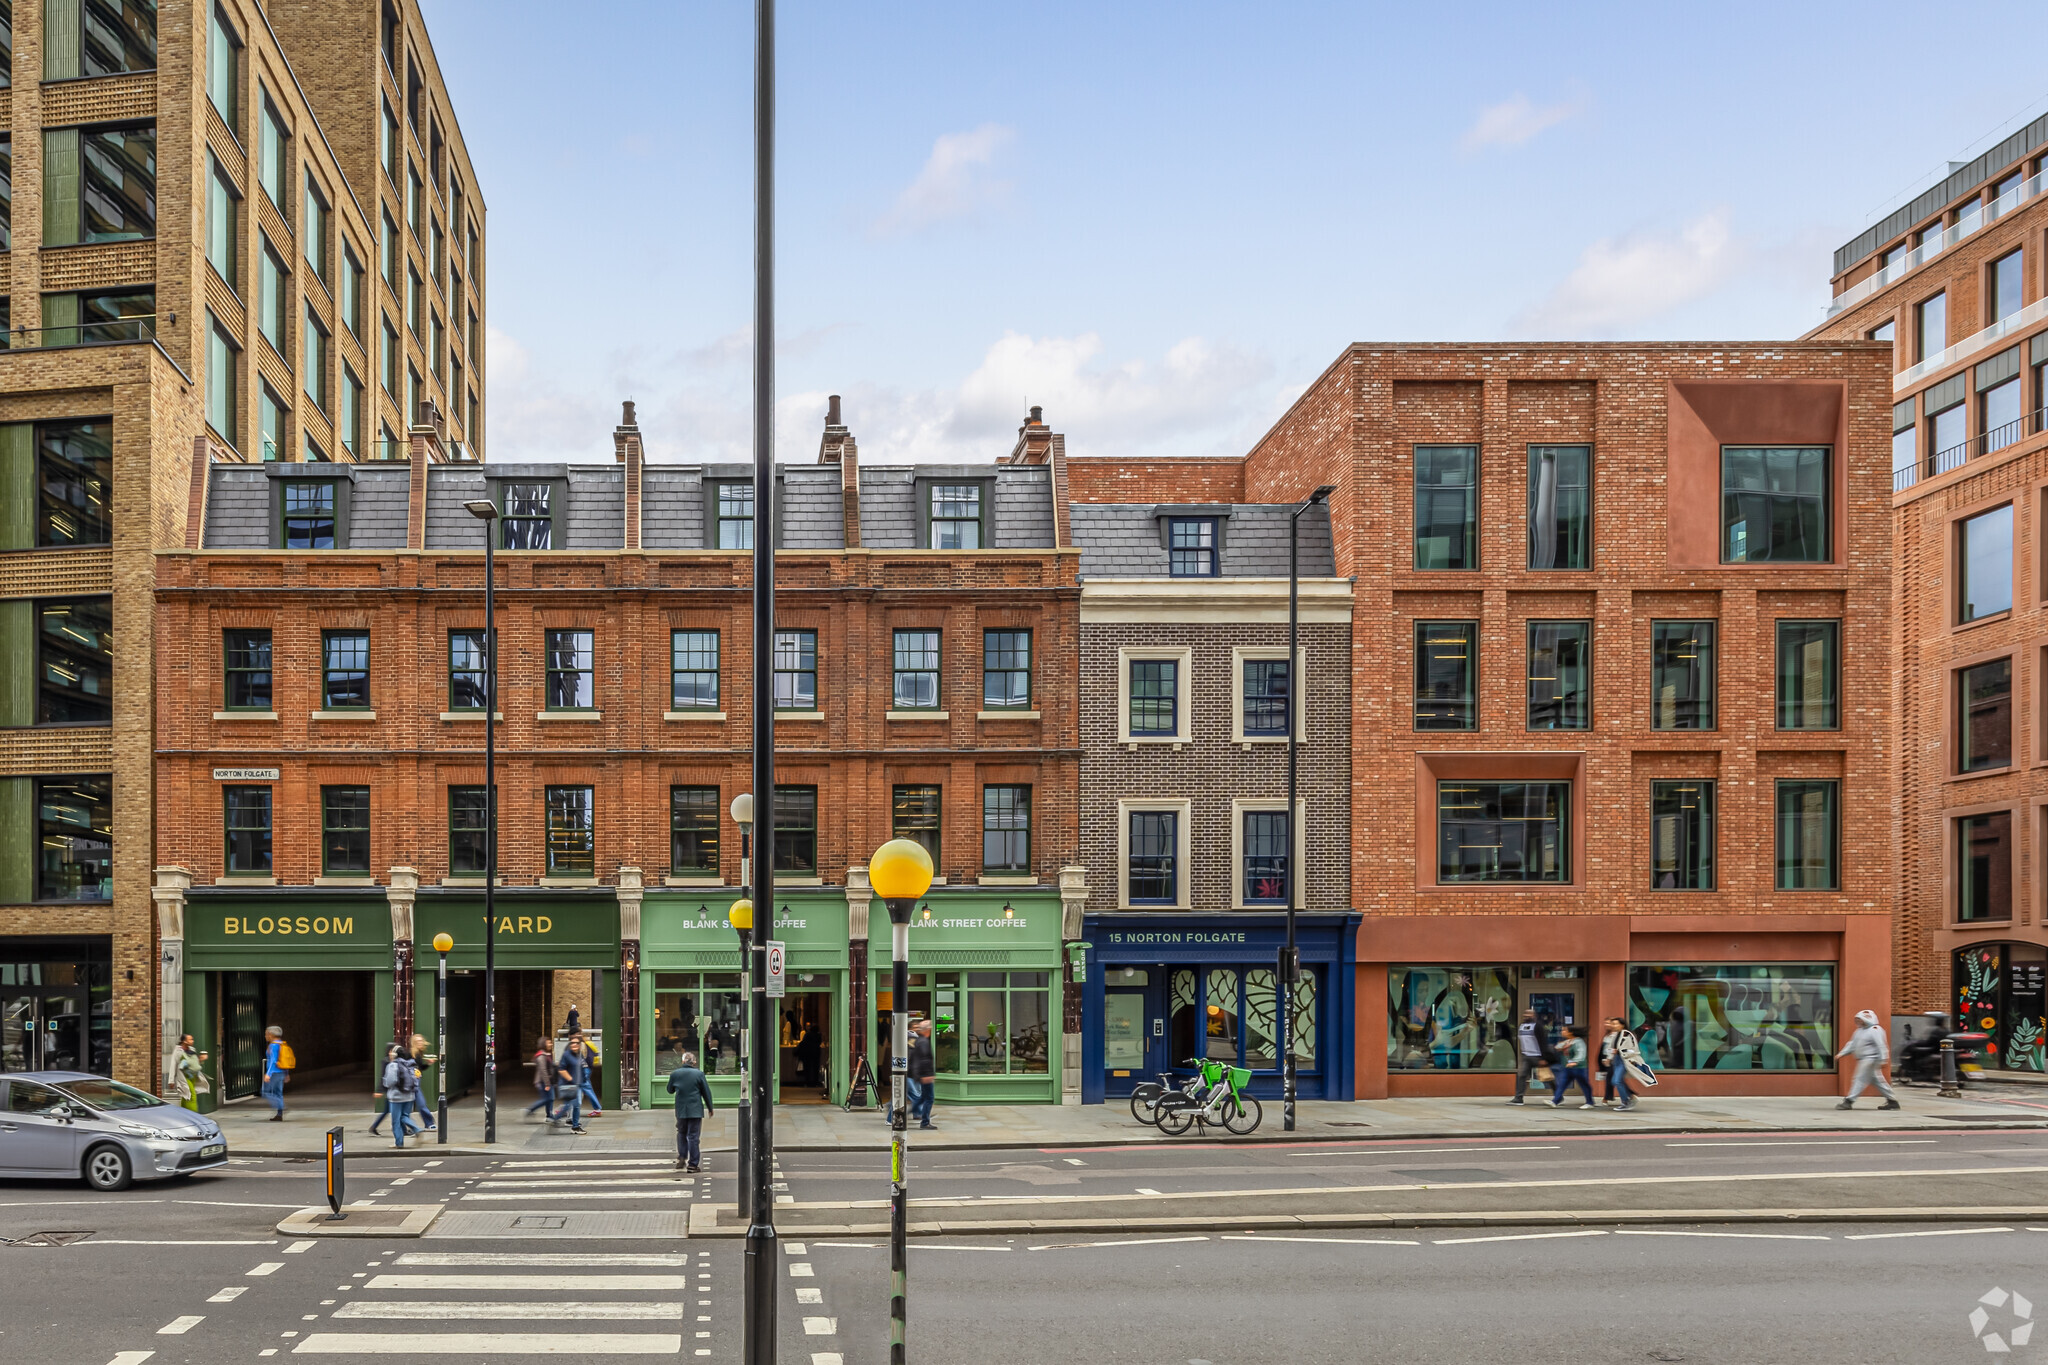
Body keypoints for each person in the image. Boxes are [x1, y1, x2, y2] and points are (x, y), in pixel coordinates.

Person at [1836, 1008, 1901, 1110]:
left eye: (1859, 1019)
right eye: (1856, 1019)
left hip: (1870, 1059)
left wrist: (1884, 1059)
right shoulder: (1859, 1031)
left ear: (1866, 1019)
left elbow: (1881, 1046)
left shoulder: (1875, 1030)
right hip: (1864, 1060)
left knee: (1859, 1079)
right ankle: (1892, 1101)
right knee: (1877, 1081)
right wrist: (1842, 1053)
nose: (1857, 1022)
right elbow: (1852, 1044)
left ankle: (1849, 1101)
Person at [667, 1050, 715, 1172]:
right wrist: (710, 1107)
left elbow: (670, 1090)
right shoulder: (699, 1074)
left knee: (681, 1133)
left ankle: (682, 1155)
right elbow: (706, 1092)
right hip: (695, 1109)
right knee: (693, 1136)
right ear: (694, 1062)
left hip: (681, 1109)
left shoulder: (675, 1074)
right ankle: (693, 1164)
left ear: (683, 1061)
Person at [1508, 1008, 1556, 1104]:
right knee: (1522, 1076)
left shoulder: (1537, 1026)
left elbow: (1542, 1042)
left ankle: (1558, 1095)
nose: (1526, 1016)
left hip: (1537, 1056)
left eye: (1529, 1014)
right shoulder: (1521, 1026)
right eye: (1525, 1014)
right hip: (1526, 1056)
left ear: (1534, 1016)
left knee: (1547, 1077)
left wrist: (1543, 1058)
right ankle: (1518, 1098)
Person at [380, 1042, 420, 1148]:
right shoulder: (410, 1063)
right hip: (410, 1096)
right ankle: (416, 1129)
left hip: (396, 1097)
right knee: (405, 1116)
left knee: (396, 1121)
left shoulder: (392, 1065)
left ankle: (399, 1143)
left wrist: (384, 1081)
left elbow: (389, 1082)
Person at [1550, 1024, 1596, 1108]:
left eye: (1564, 1030)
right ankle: (1555, 1101)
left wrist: (1575, 1061)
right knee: (1562, 1084)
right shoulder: (1568, 1041)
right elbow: (1557, 1047)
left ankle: (1589, 1102)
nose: (1562, 1032)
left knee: (1584, 1084)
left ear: (1571, 1032)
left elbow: (1581, 1053)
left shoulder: (1578, 1042)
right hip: (1568, 1067)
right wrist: (1561, 1046)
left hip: (1579, 1068)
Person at [555, 1034, 589, 1133]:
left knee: (572, 1105)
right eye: (572, 1043)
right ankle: (574, 1126)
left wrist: (584, 1077)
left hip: (577, 1084)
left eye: (576, 1043)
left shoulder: (579, 1055)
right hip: (569, 1085)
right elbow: (561, 1070)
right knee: (575, 1104)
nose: (574, 1045)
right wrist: (571, 1079)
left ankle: (571, 1123)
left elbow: (582, 1066)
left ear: (579, 1045)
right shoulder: (567, 1055)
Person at [406, 1033, 438, 1133]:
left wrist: (428, 1064)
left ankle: (429, 1124)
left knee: (420, 1104)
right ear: (414, 1043)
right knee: (408, 1106)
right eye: (418, 1041)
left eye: (421, 1041)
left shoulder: (419, 1054)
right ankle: (404, 1126)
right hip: (410, 1083)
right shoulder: (410, 1053)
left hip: (416, 1082)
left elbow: (420, 1068)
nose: (421, 1043)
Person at [908, 1018, 937, 1130]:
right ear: (928, 1030)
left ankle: (912, 1110)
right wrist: (927, 1075)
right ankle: (925, 1122)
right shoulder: (924, 1041)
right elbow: (925, 1060)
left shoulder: (919, 1040)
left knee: (923, 1097)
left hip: (920, 1074)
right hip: (925, 1075)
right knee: (929, 1098)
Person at [170, 1035, 209, 1112]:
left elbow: (194, 1063)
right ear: (184, 1041)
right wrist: (171, 1080)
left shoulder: (192, 1049)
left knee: (185, 1096)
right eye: (190, 1039)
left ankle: (183, 1113)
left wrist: (201, 1059)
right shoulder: (178, 1051)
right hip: (184, 1077)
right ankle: (194, 1114)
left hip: (193, 1076)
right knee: (191, 1095)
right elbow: (173, 1064)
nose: (192, 1041)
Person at [261, 1025, 289, 1121]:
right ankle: (279, 1115)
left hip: (274, 1073)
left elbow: (273, 1060)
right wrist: (286, 1074)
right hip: (281, 1072)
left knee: (265, 1092)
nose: (265, 1036)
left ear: (271, 1035)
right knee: (278, 1093)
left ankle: (282, 1106)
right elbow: (285, 1060)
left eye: (266, 1034)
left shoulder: (273, 1046)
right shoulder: (282, 1044)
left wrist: (268, 1074)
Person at [526, 1036, 557, 1119]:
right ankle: (531, 1109)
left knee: (550, 1098)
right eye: (548, 1042)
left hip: (549, 1080)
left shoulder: (547, 1054)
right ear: (543, 1044)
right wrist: (547, 1084)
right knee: (547, 1099)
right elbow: (543, 1070)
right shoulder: (542, 1055)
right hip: (543, 1082)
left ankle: (549, 1115)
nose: (551, 1044)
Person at [573, 1031, 604, 1116]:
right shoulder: (588, 1043)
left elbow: (584, 1058)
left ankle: (567, 1109)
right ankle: (569, 1109)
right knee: (583, 1089)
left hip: (583, 1070)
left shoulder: (582, 1045)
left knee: (583, 1089)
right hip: (586, 1069)